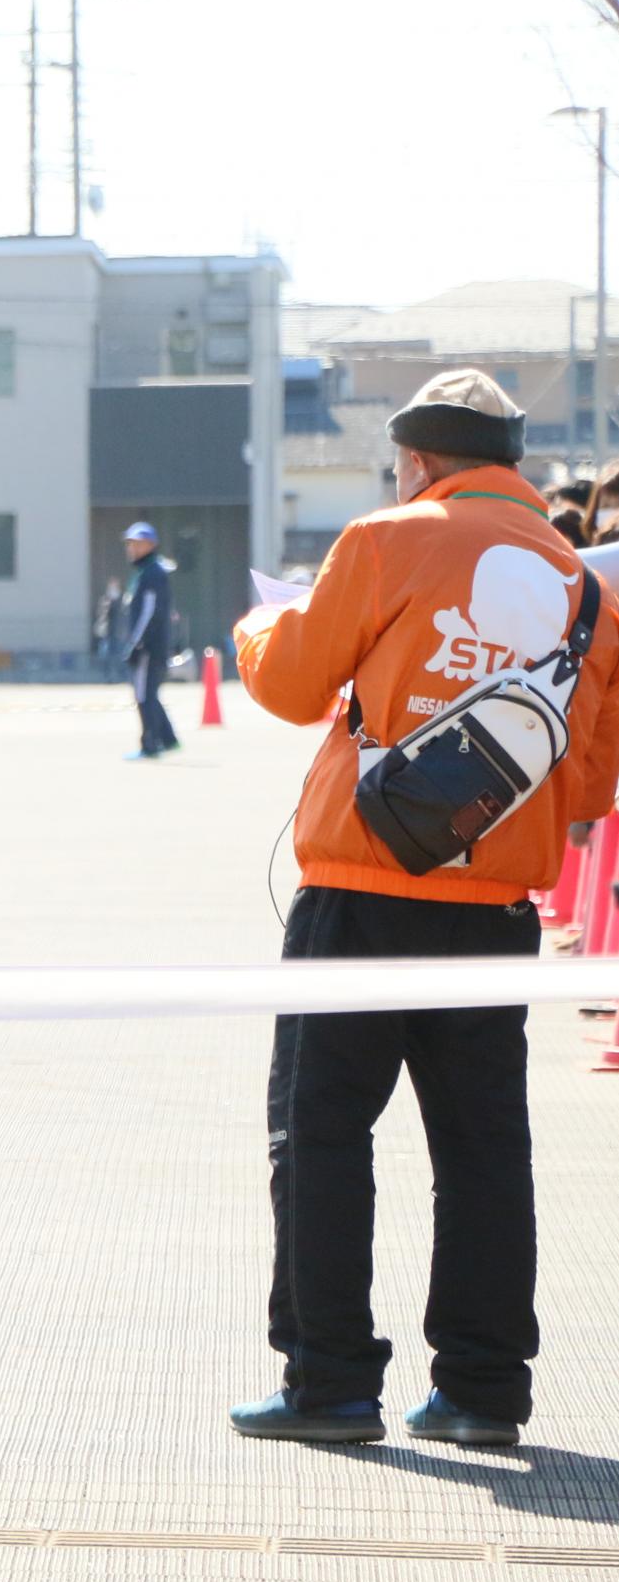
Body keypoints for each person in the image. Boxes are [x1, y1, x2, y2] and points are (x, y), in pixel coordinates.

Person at [230, 369, 619, 1449]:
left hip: (358, 890)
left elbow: (292, 685)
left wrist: (264, 624)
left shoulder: (384, 538)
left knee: (318, 1133)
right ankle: (483, 1391)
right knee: (483, 1146)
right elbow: (586, 787)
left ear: (420, 461)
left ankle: (329, 1384)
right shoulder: (583, 590)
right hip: (494, 908)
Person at [120, 522, 179, 760]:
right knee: (150, 693)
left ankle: (150, 744)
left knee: (143, 694)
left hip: (148, 647)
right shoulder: (146, 572)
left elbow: (148, 611)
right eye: (130, 543)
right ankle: (168, 739)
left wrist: (136, 644)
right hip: (150, 644)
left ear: (150, 545)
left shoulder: (152, 572)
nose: (132, 548)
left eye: (137, 543)